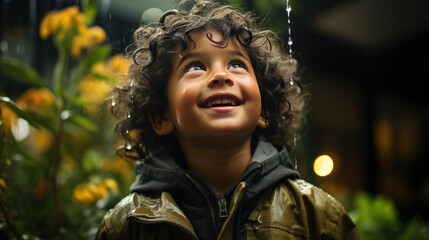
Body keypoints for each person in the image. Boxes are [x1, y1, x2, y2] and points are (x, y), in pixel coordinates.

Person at [95, 0, 359, 239]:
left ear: (264, 110)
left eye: (236, 64)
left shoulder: (318, 216)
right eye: (195, 67)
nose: (222, 76)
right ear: (161, 116)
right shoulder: (126, 226)